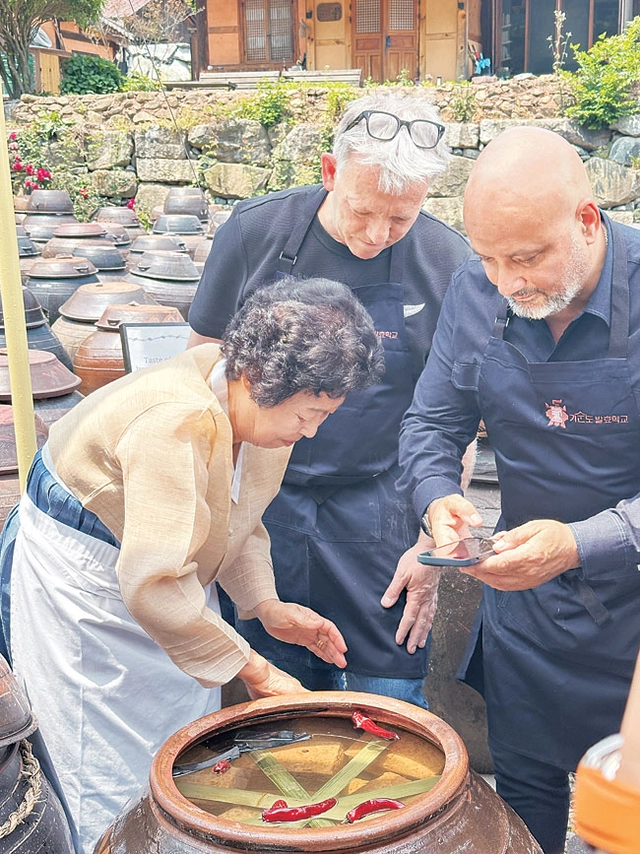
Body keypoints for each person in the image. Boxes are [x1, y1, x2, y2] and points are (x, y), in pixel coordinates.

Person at [1, 277, 383, 854]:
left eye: (324, 415)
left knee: (177, 742)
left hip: (165, 570)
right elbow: (154, 582)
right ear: (257, 380)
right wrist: (255, 669)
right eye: (308, 414)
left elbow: (240, 519)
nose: (311, 432)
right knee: (102, 760)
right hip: (88, 575)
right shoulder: (173, 419)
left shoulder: (247, 407)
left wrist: (265, 606)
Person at [397, 126, 640, 854]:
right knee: (525, 788)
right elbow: (430, 423)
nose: (506, 282)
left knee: (623, 813)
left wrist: (582, 542)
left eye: (527, 258)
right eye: (488, 259)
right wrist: (437, 499)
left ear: (587, 220)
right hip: (524, 607)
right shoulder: (477, 292)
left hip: (632, 614)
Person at [187, 89, 471, 707]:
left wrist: (432, 547)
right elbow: (201, 367)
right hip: (265, 502)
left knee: (391, 703)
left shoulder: (450, 262)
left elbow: (455, 420)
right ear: (329, 171)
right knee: (273, 697)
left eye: (401, 219)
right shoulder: (255, 233)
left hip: (382, 505)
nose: (376, 235)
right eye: (363, 210)